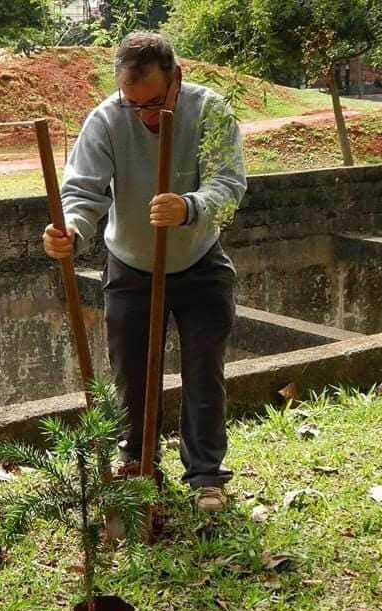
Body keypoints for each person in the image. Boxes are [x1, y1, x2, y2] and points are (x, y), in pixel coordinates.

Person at [42, 32, 246, 511]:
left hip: (200, 261)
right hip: (131, 266)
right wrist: (70, 230)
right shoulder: (106, 120)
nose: (145, 116)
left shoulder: (210, 111)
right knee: (130, 376)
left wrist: (190, 206)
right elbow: (83, 192)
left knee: (203, 373)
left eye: (154, 103)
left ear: (177, 79)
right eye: (132, 103)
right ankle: (138, 467)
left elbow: (229, 183)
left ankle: (205, 477)